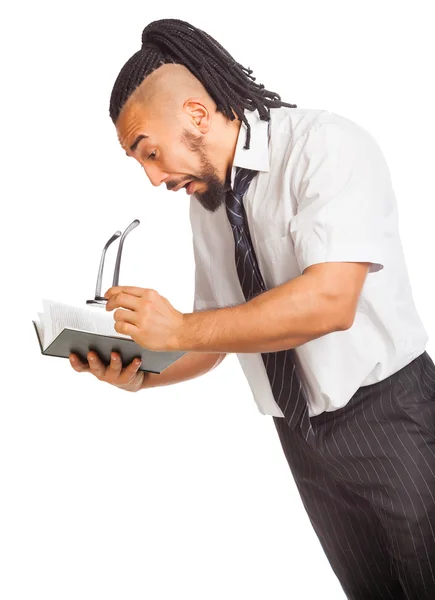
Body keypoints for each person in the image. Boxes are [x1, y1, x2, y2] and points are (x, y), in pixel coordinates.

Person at [69, 18, 435, 600]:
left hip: (392, 418)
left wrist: (181, 326)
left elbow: (331, 301)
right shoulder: (207, 204)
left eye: (150, 152)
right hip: (302, 440)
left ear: (195, 114)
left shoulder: (325, 146)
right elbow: (213, 339)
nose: (153, 176)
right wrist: (139, 371)